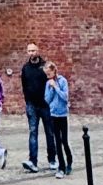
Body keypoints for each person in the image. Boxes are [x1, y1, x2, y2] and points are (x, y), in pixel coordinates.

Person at [20, 42, 55, 173]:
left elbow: (51, 81)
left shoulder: (44, 66)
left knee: (49, 132)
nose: (31, 53)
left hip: (45, 105)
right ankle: (33, 161)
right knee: (33, 132)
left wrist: (48, 100)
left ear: (38, 51)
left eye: (33, 50)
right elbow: (24, 85)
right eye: (29, 51)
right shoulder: (25, 68)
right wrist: (27, 100)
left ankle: (52, 159)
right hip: (32, 105)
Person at [44, 60, 72, 175]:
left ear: (54, 71)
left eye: (49, 74)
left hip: (62, 114)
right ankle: (61, 166)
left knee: (64, 140)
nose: (48, 76)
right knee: (57, 141)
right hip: (53, 115)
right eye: (46, 74)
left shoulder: (62, 81)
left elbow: (65, 97)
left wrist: (55, 87)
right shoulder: (48, 83)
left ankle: (69, 161)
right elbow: (47, 99)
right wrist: (51, 88)